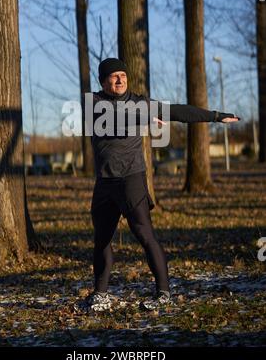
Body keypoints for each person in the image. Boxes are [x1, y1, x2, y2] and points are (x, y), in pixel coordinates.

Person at [76, 58, 240, 313]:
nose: (120, 80)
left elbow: (176, 111)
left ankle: (163, 292)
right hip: (105, 183)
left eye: (123, 75)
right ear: (102, 80)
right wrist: (144, 121)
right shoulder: (92, 102)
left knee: (145, 235)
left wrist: (215, 116)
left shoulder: (141, 103)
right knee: (102, 240)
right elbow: (110, 121)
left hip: (131, 179)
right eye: (113, 76)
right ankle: (100, 294)